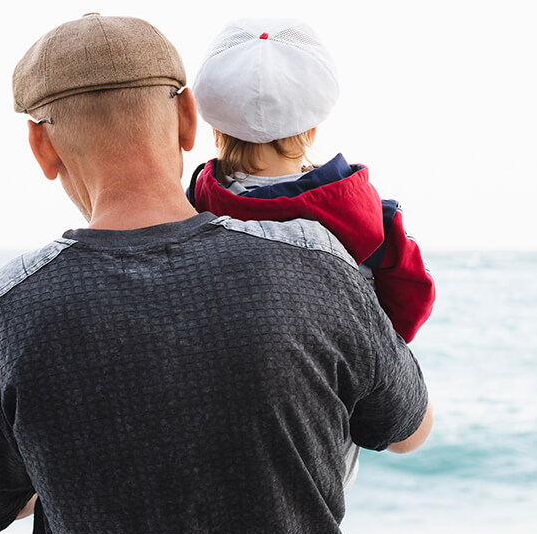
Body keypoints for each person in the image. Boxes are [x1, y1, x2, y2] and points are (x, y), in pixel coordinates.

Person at [0, 13, 433, 534]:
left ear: (41, 147)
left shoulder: (3, 310)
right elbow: (407, 430)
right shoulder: (319, 263)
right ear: (186, 118)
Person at [186, 18, 435, 345]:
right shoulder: (372, 216)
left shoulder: (195, 207)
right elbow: (410, 303)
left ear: (215, 129)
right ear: (312, 128)